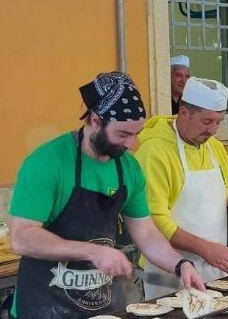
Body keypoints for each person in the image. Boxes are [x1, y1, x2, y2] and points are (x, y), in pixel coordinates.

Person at [7, 72, 205, 319]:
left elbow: (145, 232)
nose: (132, 144)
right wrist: (92, 251)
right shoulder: (48, 163)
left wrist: (180, 265)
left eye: (136, 133)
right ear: (95, 121)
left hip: (102, 305)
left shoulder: (128, 168)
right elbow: (21, 237)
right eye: (123, 134)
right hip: (44, 306)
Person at [135, 77, 228, 300]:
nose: (213, 130)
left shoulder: (214, 147)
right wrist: (205, 249)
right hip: (169, 274)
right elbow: (154, 221)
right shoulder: (155, 152)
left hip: (214, 267)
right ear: (184, 112)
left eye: (219, 122)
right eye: (207, 121)